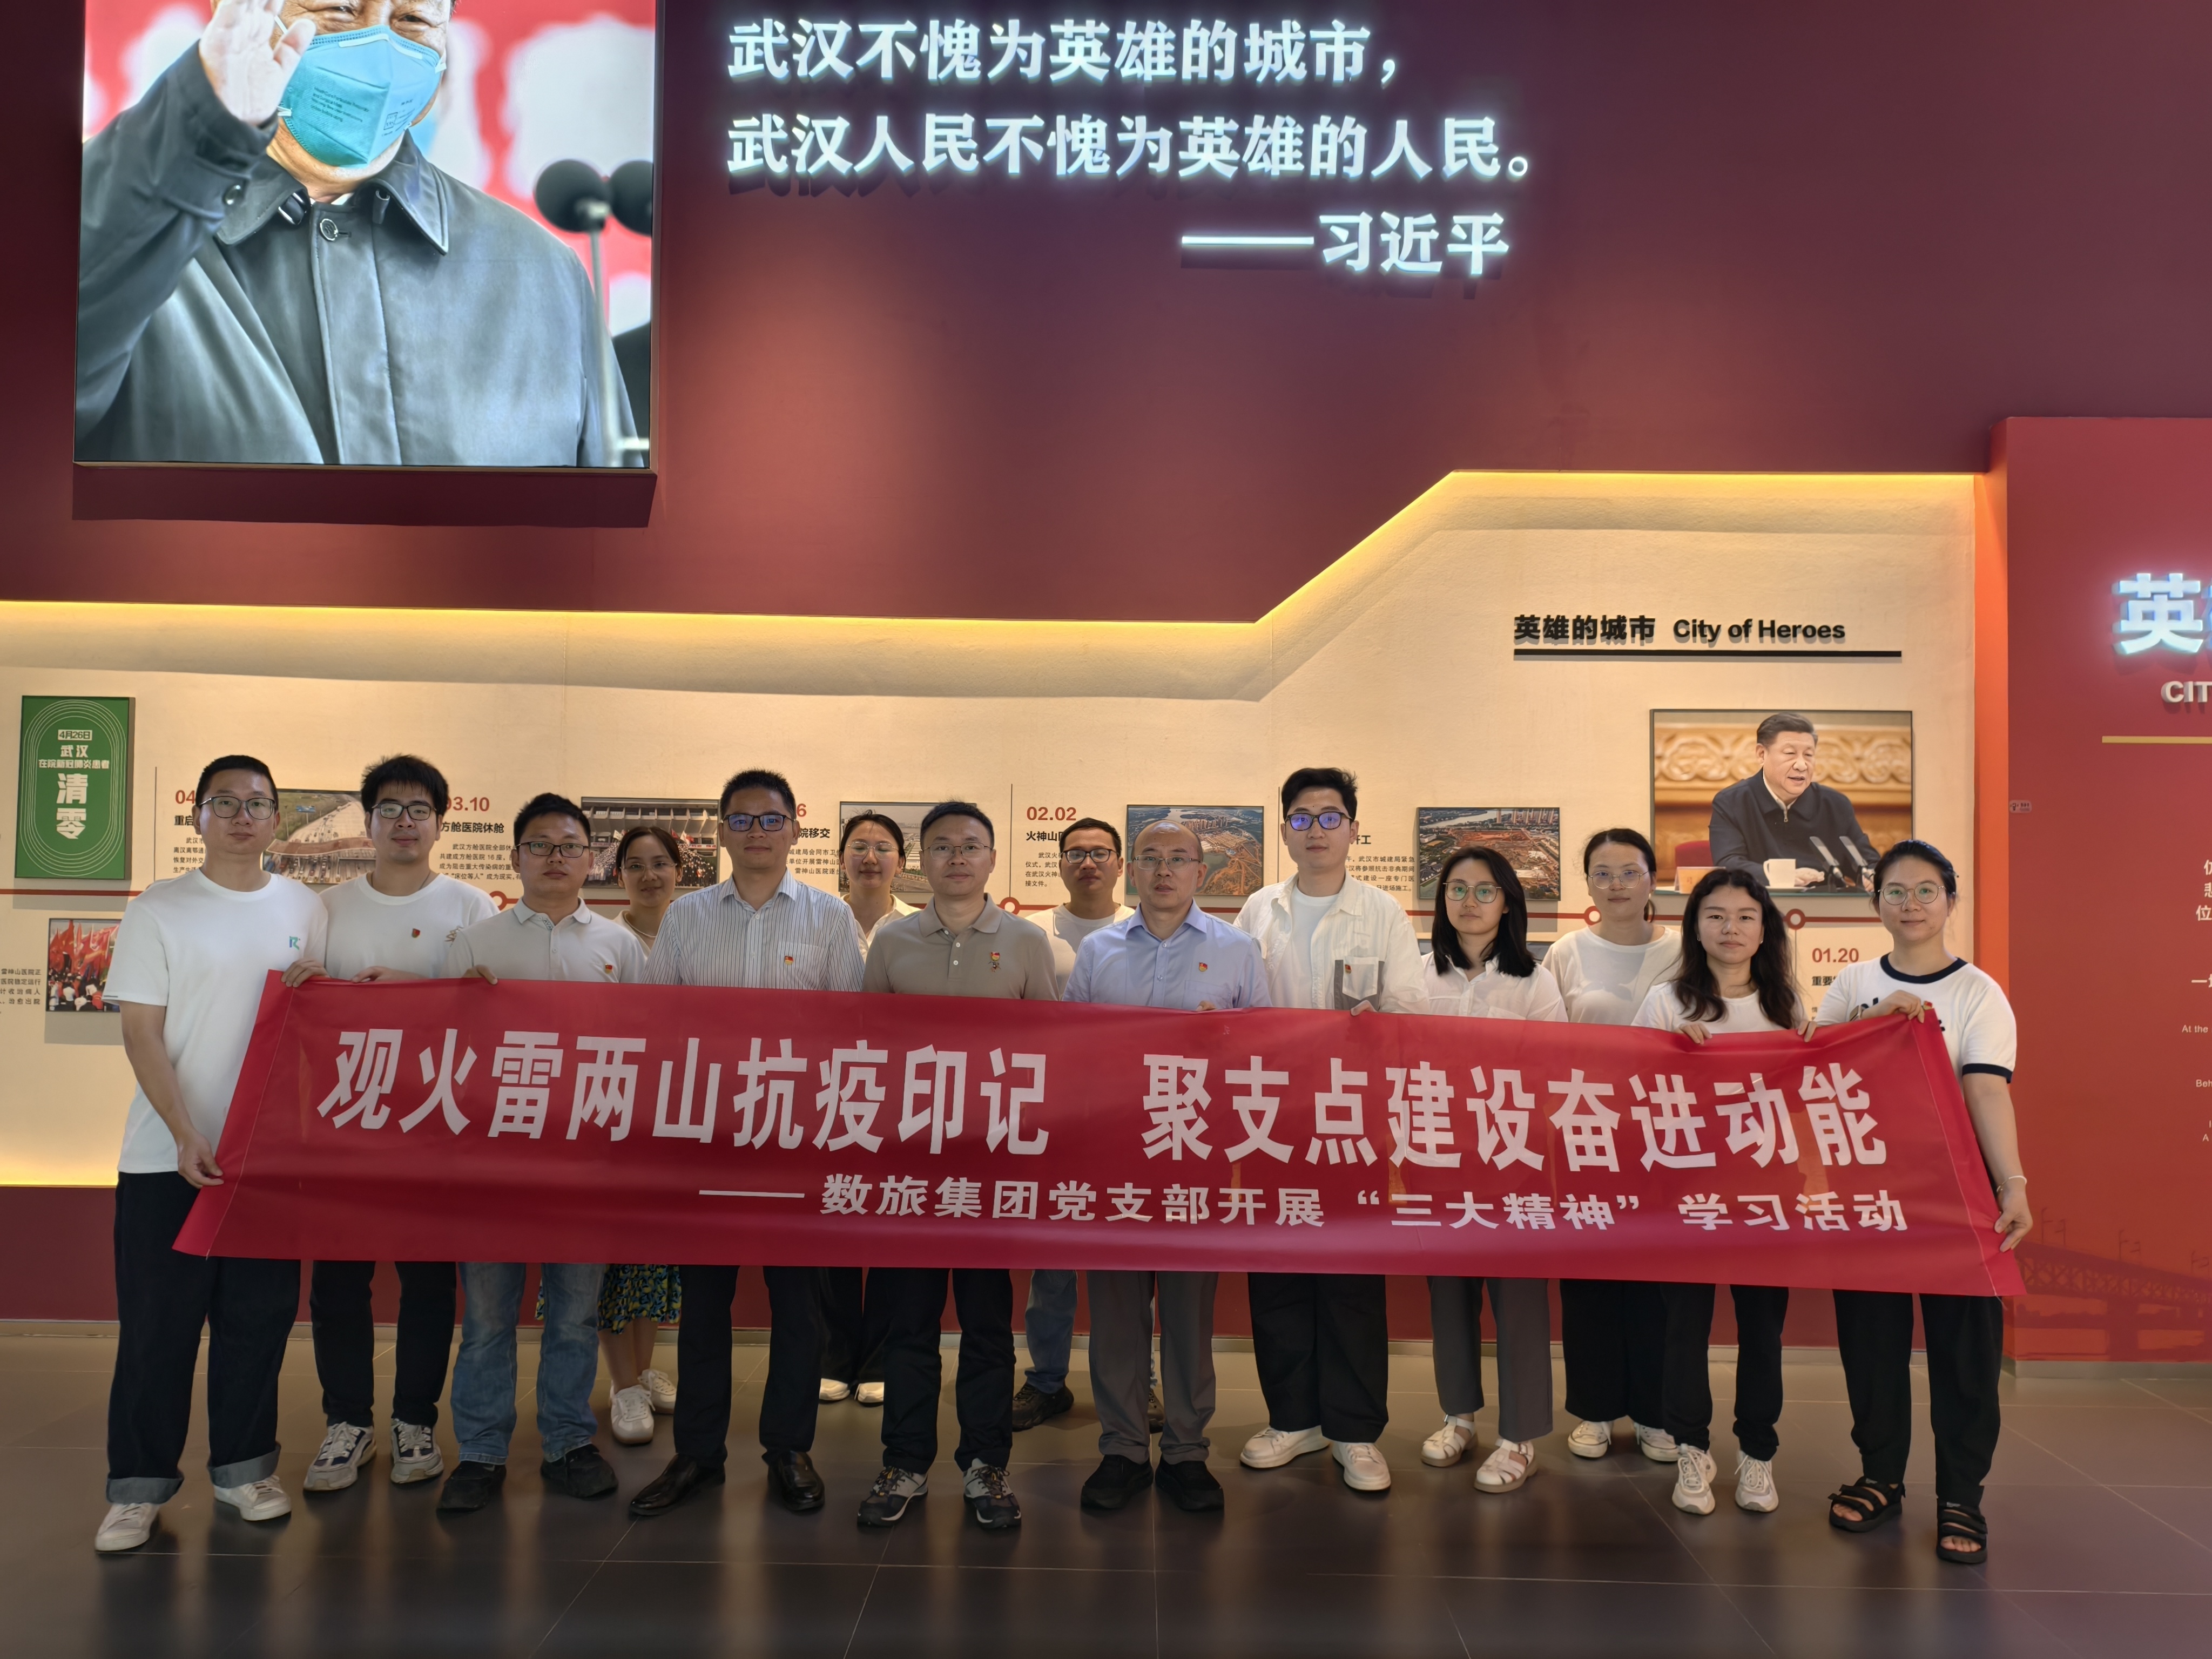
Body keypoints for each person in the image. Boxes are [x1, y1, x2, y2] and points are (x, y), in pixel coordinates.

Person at [77, 0, 632, 466]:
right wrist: (200, 124)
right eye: (340, 8)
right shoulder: (130, 227)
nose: (378, 43)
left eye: (413, 20)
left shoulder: (544, 277)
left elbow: (614, 536)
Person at [95, 756, 328, 1553]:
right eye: (223, 802)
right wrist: (184, 1129)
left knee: (256, 1324)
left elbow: (321, 1027)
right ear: (197, 815)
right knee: (156, 1329)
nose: (241, 816)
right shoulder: (159, 909)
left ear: (276, 818)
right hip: (167, 1158)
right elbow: (140, 1031)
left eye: (257, 803)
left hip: (267, 1164)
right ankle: (137, 1488)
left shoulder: (305, 908)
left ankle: (244, 1471)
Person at [629, 771, 867, 1520]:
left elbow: (854, 1034)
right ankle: (697, 1455)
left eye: (770, 819)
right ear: (722, 832)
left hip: (798, 1143)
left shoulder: (829, 918)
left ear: (795, 828)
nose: (756, 832)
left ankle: (788, 1449)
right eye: (741, 819)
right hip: (708, 1142)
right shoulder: (687, 916)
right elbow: (658, 1027)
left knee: (799, 1307)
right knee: (704, 1304)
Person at [280, 754, 493, 1494]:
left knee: (427, 1280)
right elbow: (299, 1009)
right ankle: (347, 1423)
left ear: (440, 823)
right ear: (367, 822)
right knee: (339, 1281)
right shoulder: (325, 908)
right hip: (344, 1122)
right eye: (391, 809)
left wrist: (414, 989)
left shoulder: (470, 907)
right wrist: (307, 987)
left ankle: (414, 1422)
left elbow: (490, 1012)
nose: (406, 822)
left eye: (420, 810)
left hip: (435, 1122)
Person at [1817, 839, 2029, 1566]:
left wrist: (2013, 1183)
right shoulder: (1853, 982)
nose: (1911, 904)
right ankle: (1880, 1475)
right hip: (1868, 1191)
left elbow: (1986, 1089)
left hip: (1957, 1193)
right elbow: (1818, 1069)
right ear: (1875, 903)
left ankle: (1961, 1494)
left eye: (1926, 891)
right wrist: (1878, 1020)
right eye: (1896, 892)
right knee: (1870, 1342)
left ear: (1950, 900)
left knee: (1965, 1350)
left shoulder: (1978, 992)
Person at [434, 794, 645, 1515]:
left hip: (585, 1164)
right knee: (488, 1319)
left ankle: (568, 1442)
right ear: (516, 858)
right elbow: (440, 1050)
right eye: (540, 845)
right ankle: (481, 1452)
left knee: (575, 1315)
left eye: (570, 846)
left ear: (591, 859)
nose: (556, 858)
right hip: (493, 1164)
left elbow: (646, 1050)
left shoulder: (621, 947)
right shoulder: (472, 944)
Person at [859, 801, 1057, 1530]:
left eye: (971, 846)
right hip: (911, 1168)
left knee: (985, 1324)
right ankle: (906, 1462)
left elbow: (1051, 1051)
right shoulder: (893, 941)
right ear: (923, 861)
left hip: (990, 1168)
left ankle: (985, 1465)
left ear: (992, 858)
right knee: (909, 1322)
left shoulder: (1027, 943)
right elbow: (866, 1049)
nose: (957, 858)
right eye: (941, 846)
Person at [1067, 818, 1270, 1514]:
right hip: (1115, 1154)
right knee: (1116, 1312)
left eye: (1177, 859)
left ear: (1200, 873)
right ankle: (1122, 1449)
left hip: (1197, 1157)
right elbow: (1068, 1052)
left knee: (1188, 1311)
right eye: (1149, 858)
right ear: (1132, 869)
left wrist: (1225, 1037)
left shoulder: (1238, 950)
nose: (1162, 871)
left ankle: (1185, 1451)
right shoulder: (1097, 950)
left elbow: (1265, 1056)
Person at [1233, 767, 1426, 1495]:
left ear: (1353, 829)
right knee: (1277, 1271)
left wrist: (1379, 1019)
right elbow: (1236, 1002)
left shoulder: (1381, 912)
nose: (1316, 830)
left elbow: (1410, 1005)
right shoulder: (1258, 909)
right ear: (1284, 830)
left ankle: (1354, 1429)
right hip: (1272, 1118)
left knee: (1349, 1275)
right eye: (1302, 818)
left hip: (1352, 1117)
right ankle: (1293, 1418)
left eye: (1330, 817)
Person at [1633, 867, 1809, 1519]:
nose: (1729, 928)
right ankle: (1691, 1447)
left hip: (1765, 1191)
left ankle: (1757, 1453)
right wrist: (1669, 1054)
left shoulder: (1785, 1007)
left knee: (1762, 1328)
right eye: (1715, 915)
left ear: (1764, 930)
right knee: (1684, 1326)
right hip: (1686, 1189)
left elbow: (1802, 1100)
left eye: (1744, 916)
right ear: (1695, 926)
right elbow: (1628, 1090)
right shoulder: (1665, 1002)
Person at [1415, 848, 1563, 1495]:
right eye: (1457, 889)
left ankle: (1519, 1435)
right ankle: (1458, 1416)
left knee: (1518, 1301)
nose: (1469, 901)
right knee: (1448, 1296)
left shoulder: (1535, 982)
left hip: (1513, 1161)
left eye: (1484, 890)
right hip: (1437, 1158)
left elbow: (1556, 1073)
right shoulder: (1416, 976)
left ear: (1507, 902)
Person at [1543, 829, 1681, 1466]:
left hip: (1665, 1134)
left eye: (1629, 871)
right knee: (1590, 1275)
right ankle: (1595, 1409)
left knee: (1658, 1279)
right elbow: (1543, 1041)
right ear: (1588, 884)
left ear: (1652, 878)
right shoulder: (1566, 952)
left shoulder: (1685, 950)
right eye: (1602, 873)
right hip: (1585, 1132)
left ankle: (1656, 1413)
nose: (1616, 885)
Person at [1017, 817, 1136, 1434]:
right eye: (1075, 853)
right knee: (1052, 1259)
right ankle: (1045, 1381)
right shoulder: (1033, 932)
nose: (1087, 863)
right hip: (1055, 1117)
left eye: (1100, 853)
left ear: (1120, 864)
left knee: (1130, 1261)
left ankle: (1138, 1383)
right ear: (1059, 863)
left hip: (1130, 1118)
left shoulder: (1143, 927)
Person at [596, 825, 687, 1445]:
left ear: (680, 871)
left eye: (660, 863)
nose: (649, 875)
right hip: (611, 1112)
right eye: (635, 864)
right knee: (611, 1249)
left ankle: (647, 1367)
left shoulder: (694, 933)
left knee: (655, 1250)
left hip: (674, 1113)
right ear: (618, 874)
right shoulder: (604, 939)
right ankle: (622, 1382)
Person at [819, 813, 913, 1409]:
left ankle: (879, 1357)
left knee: (890, 1222)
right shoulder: (817, 919)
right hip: (826, 1091)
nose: (871, 857)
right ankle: (833, 1356)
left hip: (901, 1095)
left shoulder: (920, 926)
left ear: (901, 861)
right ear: (842, 859)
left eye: (883, 847)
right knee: (832, 1218)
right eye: (859, 846)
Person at [1708, 713, 1877, 888]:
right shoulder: (1732, 802)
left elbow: (1868, 862)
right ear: (1762, 754)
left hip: (1823, 904)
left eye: (1809, 755)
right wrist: (1782, 876)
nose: (1802, 765)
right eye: (1790, 753)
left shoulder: (1835, 805)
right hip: (1759, 902)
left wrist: (1873, 876)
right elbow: (1728, 864)